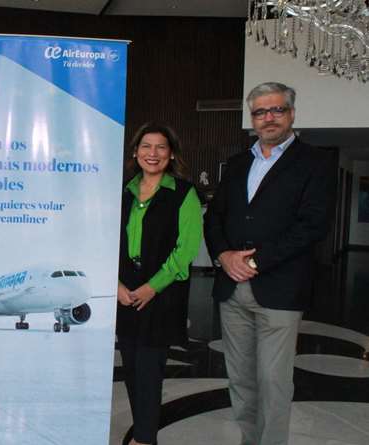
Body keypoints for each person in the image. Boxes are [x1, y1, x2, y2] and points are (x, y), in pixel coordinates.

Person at [204, 82, 334, 445]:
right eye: (260, 112)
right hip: (232, 287)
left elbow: (312, 225)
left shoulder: (315, 163)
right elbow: (214, 218)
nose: (268, 117)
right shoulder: (238, 163)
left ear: (291, 113)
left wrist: (256, 261)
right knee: (241, 380)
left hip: (280, 288)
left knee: (274, 381)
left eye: (277, 109)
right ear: (253, 118)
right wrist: (223, 256)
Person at [116, 122, 203, 445]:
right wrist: (117, 285)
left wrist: (152, 287)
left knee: (150, 372)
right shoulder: (121, 191)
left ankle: (144, 438)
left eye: (161, 147)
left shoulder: (184, 193)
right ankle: (143, 433)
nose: (153, 154)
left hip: (160, 293)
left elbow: (187, 250)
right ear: (135, 152)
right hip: (124, 291)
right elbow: (104, 239)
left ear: (171, 154)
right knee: (132, 370)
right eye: (146, 146)